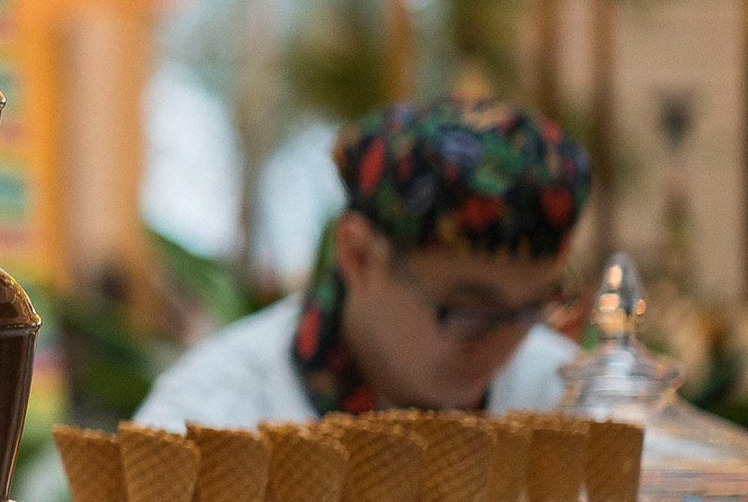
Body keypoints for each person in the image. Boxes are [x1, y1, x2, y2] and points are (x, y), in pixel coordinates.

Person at [136, 97, 590, 429]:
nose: (502, 343)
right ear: (357, 255)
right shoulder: (209, 421)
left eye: (531, 308)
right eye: (468, 308)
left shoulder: (568, 403)